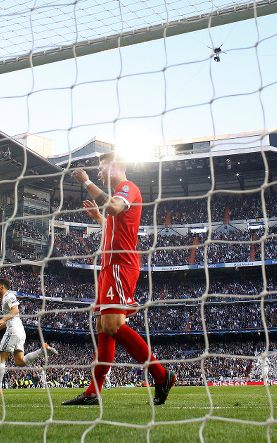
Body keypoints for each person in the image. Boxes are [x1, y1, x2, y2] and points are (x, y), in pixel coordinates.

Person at [63, 153, 176, 406]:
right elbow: (115, 223)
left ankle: (161, 375)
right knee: (104, 327)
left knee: (113, 325)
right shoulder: (116, 196)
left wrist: (85, 182)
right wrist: (99, 219)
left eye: (102, 168)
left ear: (115, 167)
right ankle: (93, 392)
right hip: (108, 267)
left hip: (120, 265)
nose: (99, 173)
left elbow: (114, 207)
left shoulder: (127, 187)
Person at [0, 279, 58, 395]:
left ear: (2, 286)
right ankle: (42, 350)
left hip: (13, 331)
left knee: (1, 357)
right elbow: (12, 317)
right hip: (20, 331)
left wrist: (2, 319)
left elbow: (15, 310)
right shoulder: (7, 297)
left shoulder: (8, 296)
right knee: (20, 362)